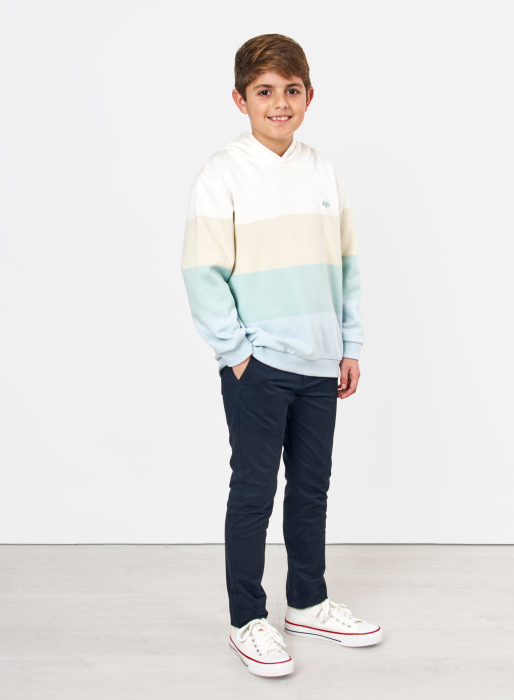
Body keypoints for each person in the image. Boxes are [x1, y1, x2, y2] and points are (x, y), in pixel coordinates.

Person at [181, 33, 383, 678]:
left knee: (312, 488)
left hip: (322, 364)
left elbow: (346, 267)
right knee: (253, 492)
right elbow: (202, 271)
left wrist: (349, 345)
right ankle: (247, 618)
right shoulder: (223, 173)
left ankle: (309, 603)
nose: (279, 103)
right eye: (264, 91)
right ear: (239, 99)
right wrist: (237, 354)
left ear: (309, 96)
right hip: (260, 367)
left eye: (291, 90)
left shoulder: (323, 171)